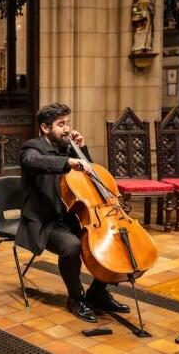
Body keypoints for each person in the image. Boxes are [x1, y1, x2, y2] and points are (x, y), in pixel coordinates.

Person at [17, 102, 130, 322]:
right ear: (45, 128)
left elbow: (93, 177)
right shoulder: (31, 148)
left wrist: (83, 150)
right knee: (72, 246)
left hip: (73, 217)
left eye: (67, 123)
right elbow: (35, 162)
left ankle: (98, 292)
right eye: (61, 124)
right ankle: (76, 298)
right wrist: (69, 161)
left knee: (112, 240)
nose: (67, 129)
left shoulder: (70, 148)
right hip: (44, 221)